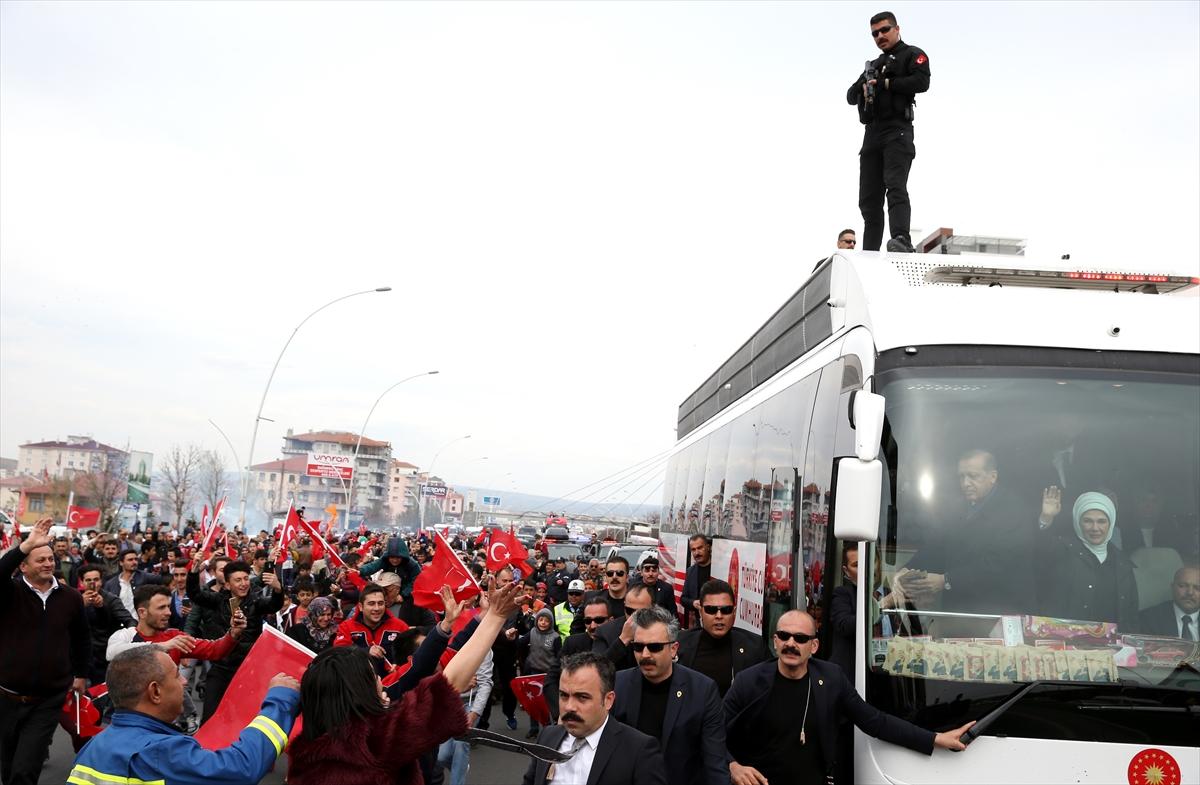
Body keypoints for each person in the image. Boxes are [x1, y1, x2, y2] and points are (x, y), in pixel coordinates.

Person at [287, 579, 525, 785]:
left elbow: (424, 663)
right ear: (354, 692)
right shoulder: (378, 741)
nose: (380, 684)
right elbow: (448, 682)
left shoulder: (303, 760)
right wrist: (495, 616)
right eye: (372, 678)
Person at [724, 611, 974, 785]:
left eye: (801, 638)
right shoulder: (749, 682)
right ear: (775, 641)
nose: (792, 644)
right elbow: (713, 733)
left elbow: (875, 721)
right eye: (785, 636)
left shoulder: (831, 678)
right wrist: (733, 767)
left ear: (814, 646)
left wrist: (936, 739)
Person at [68, 646, 301, 785]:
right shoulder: (159, 750)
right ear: (155, 691)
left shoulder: (95, 745)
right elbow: (241, 768)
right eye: (176, 675)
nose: (185, 681)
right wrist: (280, 699)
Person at [894, 449, 1038, 623]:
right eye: (961, 477)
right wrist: (905, 571)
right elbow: (936, 547)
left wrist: (946, 580)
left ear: (992, 477)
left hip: (1000, 612)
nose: (965, 483)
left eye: (973, 476)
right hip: (960, 611)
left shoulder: (1014, 511)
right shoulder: (957, 508)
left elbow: (1001, 564)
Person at [0, 519, 89, 785]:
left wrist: (81, 674)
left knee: (25, 768)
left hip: (48, 699)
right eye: (40, 559)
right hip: (7, 696)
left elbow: (81, 639)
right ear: (23, 566)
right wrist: (25, 545)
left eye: (50, 559)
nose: (48, 564)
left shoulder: (71, 597)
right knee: (9, 765)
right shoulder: (10, 592)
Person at [610, 607, 728, 785]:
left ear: (673, 649)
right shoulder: (618, 685)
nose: (645, 655)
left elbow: (715, 760)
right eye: (638, 647)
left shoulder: (702, 690)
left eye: (655, 647)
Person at [846, 11, 931, 253]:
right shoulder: (872, 66)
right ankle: (869, 252)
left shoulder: (912, 54)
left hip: (898, 131)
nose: (880, 36)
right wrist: (865, 86)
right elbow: (850, 97)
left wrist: (886, 84)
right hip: (872, 135)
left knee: (895, 186)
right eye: (875, 33)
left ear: (897, 29)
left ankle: (901, 239)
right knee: (869, 200)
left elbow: (921, 83)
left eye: (884, 30)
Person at [523, 652, 668, 785]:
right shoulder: (547, 737)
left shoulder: (639, 750)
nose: (569, 707)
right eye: (564, 695)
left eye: (582, 697)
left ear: (608, 700)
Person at [187, 558, 284, 722]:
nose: (243, 583)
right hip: (222, 667)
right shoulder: (218, 600)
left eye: (246, 578)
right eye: (238, 580)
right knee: (210, 717)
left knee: (245, 718)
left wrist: (277, 589)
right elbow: (196, 594)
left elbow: (274, 605)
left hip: (247, 669)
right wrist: (193, 573)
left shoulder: (256, 601)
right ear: (227, 584)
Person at [1040, 491, 1139, 627]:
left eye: (1102, 521)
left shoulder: (1122, 563)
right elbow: (1038, 549)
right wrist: (1046, 518)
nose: (1095, 528)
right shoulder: (1061, 550)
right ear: (1077, 522)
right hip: (1067, 642)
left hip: (1110, 645)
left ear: (1111, 523)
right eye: (1087, 521)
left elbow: (1130, 616)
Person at [105, 585, 246, 666]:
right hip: (132, 715)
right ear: (142, 612)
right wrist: (163, 646)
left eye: (168, 606)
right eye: (161, 608)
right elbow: (112, 654)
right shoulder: (125, 635)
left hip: (168, 715)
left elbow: (215, 650)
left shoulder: (175, 637)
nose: (168, 612)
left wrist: (234, 633)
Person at [676, 579, 768, 697]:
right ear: (700, 612)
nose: (719, 616)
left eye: (726, 610)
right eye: (711, 610)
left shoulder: (754, 646)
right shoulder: (680, 643)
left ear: (734, 612)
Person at [333, 583, 411, 678]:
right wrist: (366, 651)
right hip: (357, 683)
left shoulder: (400, 626)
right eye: (371, 604)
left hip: (391, 684)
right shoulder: (346, 627)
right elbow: (338, 654)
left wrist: (399, 666)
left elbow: (411, 655)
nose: (377, 608)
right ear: (361, 607)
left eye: (380, 603)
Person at [79, 563, 137, 684]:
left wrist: (125, 640)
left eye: (96, 579)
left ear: (101, 581)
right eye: (88, 580)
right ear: (82, 582)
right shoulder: (76, 599)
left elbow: (129, 620)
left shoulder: (111, 599)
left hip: (104, 654)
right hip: (82, 656)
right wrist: (79, 606)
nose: (92, 583)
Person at [518, 607, 562, 738]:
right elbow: (520, 644)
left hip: (549, 674)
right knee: (534, 702)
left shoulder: (555, 637)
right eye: (540, 620)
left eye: (546, 620)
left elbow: (559, 655)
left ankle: (548, 727)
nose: (543, 623)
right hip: (533, 672)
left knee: (547, 702)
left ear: (551, 623)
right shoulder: (532, 633)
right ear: (536, 620)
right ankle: (533, 728)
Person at [1139, 565, 1200, 639]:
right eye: (1183, 586)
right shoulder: (1149, 619)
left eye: (1197, 588)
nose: (1190, 592)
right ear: (1172, 587)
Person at [104, 548, 167, 617]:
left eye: (136, 559)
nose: (134, 562)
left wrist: (165, 570)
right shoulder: (111, 584)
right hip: (119, 623)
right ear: (121, 563)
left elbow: (163, 580)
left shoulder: (145, 577)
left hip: (141, 622)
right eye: (130, 560)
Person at [680, 536, 712, 629]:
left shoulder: (718, 568)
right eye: (693, 550)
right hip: (699, 623)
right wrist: (693, 603)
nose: (697, 553)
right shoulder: (691, 571)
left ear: (708, 547)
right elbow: (683, 599)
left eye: (700, 548)